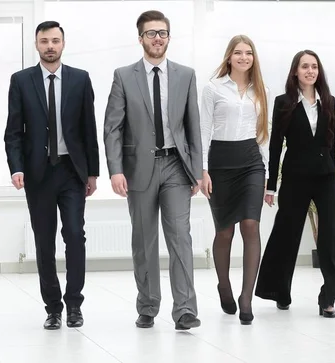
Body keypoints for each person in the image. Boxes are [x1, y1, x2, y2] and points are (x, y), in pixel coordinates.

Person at [104, 10, 202, 331]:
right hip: (138, 169)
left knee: (180, 238)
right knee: (144, 241)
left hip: (176, 165)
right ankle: (147, 306)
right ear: (140, 38)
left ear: (169, 37)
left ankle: (185, 309)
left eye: (162, 33)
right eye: (150, 33)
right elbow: (112, 129)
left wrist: (197, 170)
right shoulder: (123, 76)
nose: (157, 38)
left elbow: (193, 126)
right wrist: (116, 170)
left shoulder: (186, 75)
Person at [4, 21, 99, 330]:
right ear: (36, 44)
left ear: (63, 43)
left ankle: (74, 305)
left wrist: (93, 173)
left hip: (72, 171)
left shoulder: (80, 79)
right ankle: (53, 307)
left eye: (55, 40)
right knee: (44, 241)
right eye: (44, 41)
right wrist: (16, 167)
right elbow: (13, 132)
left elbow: (88, 129)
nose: (50, 46)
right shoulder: (21, 81)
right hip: (38, 172)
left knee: (74, 234)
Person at [255, 50, 335, 317]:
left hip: (326, 178)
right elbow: (274, 146)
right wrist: (271, 185)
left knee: (329, 236)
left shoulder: (328, 100)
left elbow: (330, 142)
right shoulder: (284, 102)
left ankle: (328, 297)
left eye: (314, 66)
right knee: (287, 234)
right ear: (295, 71)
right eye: (304, 66)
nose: (310, 71)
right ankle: (280, 291)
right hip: (295, 177)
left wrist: (330, 168)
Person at [199, 34, 269, 325]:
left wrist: (267, 174)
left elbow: (264, 133)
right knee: (225, 231)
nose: (243, 57)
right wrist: (201, 170)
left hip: (251, 162)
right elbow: (203, 129)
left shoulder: (259, 91)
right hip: (221, 163)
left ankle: (246, 297)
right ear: (229, 57)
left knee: (251, 225)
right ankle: (224, 286)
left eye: (248, 53)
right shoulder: (213, 88)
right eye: (238, 53)